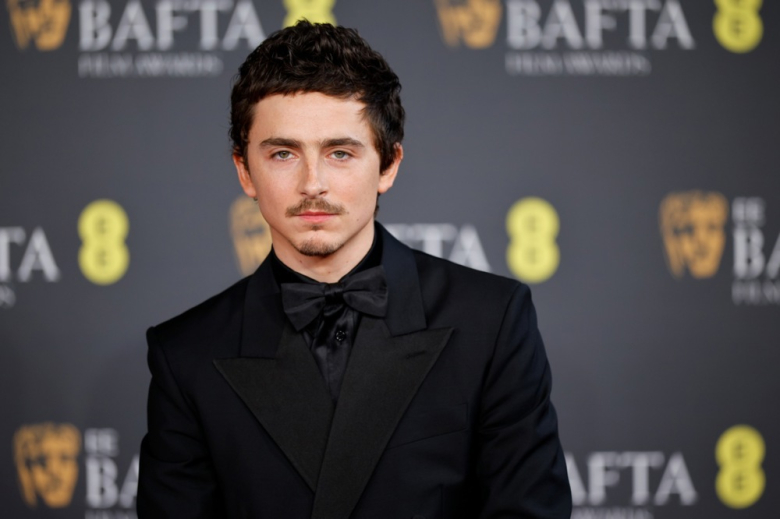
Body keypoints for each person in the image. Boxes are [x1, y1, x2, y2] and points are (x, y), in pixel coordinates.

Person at [137, 21, 571, 519]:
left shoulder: (490, 323)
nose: (312, 184)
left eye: (340, 153)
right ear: (244, 171)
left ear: (388, 165)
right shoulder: (186, 354)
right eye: (283, 153)